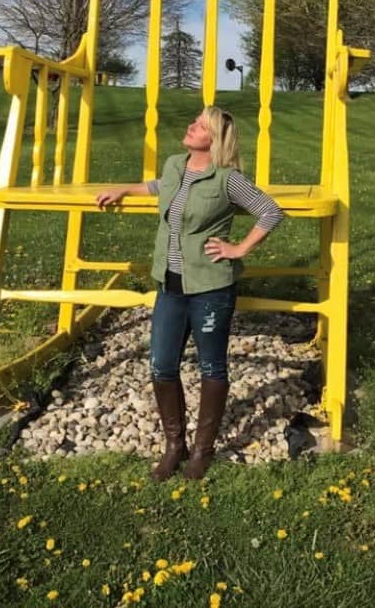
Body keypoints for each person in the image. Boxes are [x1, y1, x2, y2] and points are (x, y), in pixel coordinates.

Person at [96, 106, 284, 481]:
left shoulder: (228, 179)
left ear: (213, 140)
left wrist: (238, 249)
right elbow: (157, 186)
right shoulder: (174, 166)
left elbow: (270, 211)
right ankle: (174, 446)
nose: (191, 126)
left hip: (211, 286)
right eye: (195, 122)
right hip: (170, 285)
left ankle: (202, 450)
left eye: (200, 126)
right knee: (162, 365)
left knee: (211, 366)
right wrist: (123, 189)